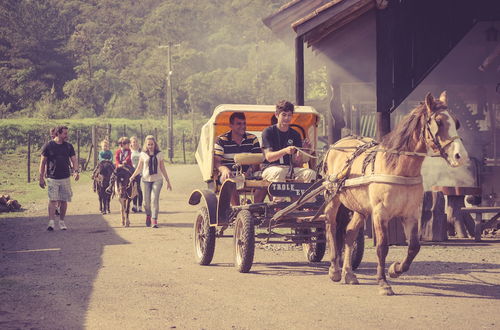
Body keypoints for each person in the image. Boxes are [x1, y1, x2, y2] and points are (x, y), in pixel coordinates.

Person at [261, 100, 316, 186]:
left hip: (290, 169)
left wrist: (304, 151)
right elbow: (269, 157)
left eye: (289, 115)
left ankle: (308, 200)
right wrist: (285, 151)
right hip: (270, 168)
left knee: (310, 174)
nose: (287, 118)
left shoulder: (295, 134)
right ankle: (279, 200)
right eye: (284, 115)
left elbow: (297, 163)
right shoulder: (268, 132)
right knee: (279, 172)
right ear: (276, 115)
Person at [214, 112, 261, 204]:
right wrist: (224, 170)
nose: (242, 126)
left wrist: (250, 171)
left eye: (244, 123)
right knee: (228, 180)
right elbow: (217, 162)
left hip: (249, 174)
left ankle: (257, 207)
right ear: (231, 125)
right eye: (239, 124)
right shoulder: (221, 140)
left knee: (268, 180)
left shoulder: (252, 139)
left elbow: (257, 161)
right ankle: (236, 208)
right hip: (230, 174)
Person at [39, 125, 80, 230]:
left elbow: (74, 160)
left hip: (65, 177)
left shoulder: (69, 146)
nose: (67, 135)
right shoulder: (48, 146)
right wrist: (41, 177)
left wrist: (75, 171)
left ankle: (61, 221)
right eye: (65, 133)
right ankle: (51, 222)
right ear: (58, 133)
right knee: (52, 200)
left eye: (67, 133)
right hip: (52, 177)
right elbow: (43, 162)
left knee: (64, 200)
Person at [130, 135, 172, 228]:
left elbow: (162, 168)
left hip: (157, 180)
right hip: (145, 180)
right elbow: (139, 168)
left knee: (154, 199)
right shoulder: (143, 154)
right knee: (145, 202)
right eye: (148, 144)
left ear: (155, 144)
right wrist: (132, 177)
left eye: (152, 144)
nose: (150, 146)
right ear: (146, 144)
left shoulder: (159, 154)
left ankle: (154, 219)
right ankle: (148, 215)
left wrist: (168, 181)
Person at [130, 136, 143, 213]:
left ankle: (140, 206)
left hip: (140, 173)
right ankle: (134, 205)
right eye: (133, 142)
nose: (135, 143)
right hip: (132, 173)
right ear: (131, 143)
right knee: (133, 189)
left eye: (136, 142)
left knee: (139, 189)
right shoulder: (129, 152)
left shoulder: (141, 152)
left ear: (138, 143)